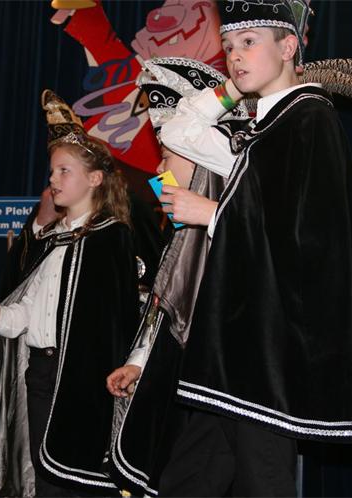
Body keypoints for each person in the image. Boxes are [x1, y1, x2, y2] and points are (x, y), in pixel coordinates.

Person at [155, 0, 352, 495]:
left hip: (267, 349)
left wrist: (211, 213)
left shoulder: (309, 119)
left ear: (289, 46)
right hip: (235, 344)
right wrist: (234, 87)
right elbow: (178, 130)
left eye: (250, 42)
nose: (235, 55)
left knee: (262, 477)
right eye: (229, 47)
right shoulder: (263, 132)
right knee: (191, 477)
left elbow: (313, 234)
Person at [0, 90, 139, 497]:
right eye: (52, 171)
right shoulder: (51, 241)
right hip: (40, 374)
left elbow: (121, 319)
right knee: (43, 481)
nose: (53, 180)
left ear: (95, 179)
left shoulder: (112, 238)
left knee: (74, 481)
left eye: (63, 171)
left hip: (83, 380)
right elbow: (28, 310)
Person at [104, 57, 249, 497]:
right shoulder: (182, 235)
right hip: (191, 390)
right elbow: (169, 309)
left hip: (227, 390)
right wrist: (139, 361)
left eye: (166, 157)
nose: (158, 170)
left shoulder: (236, 232)